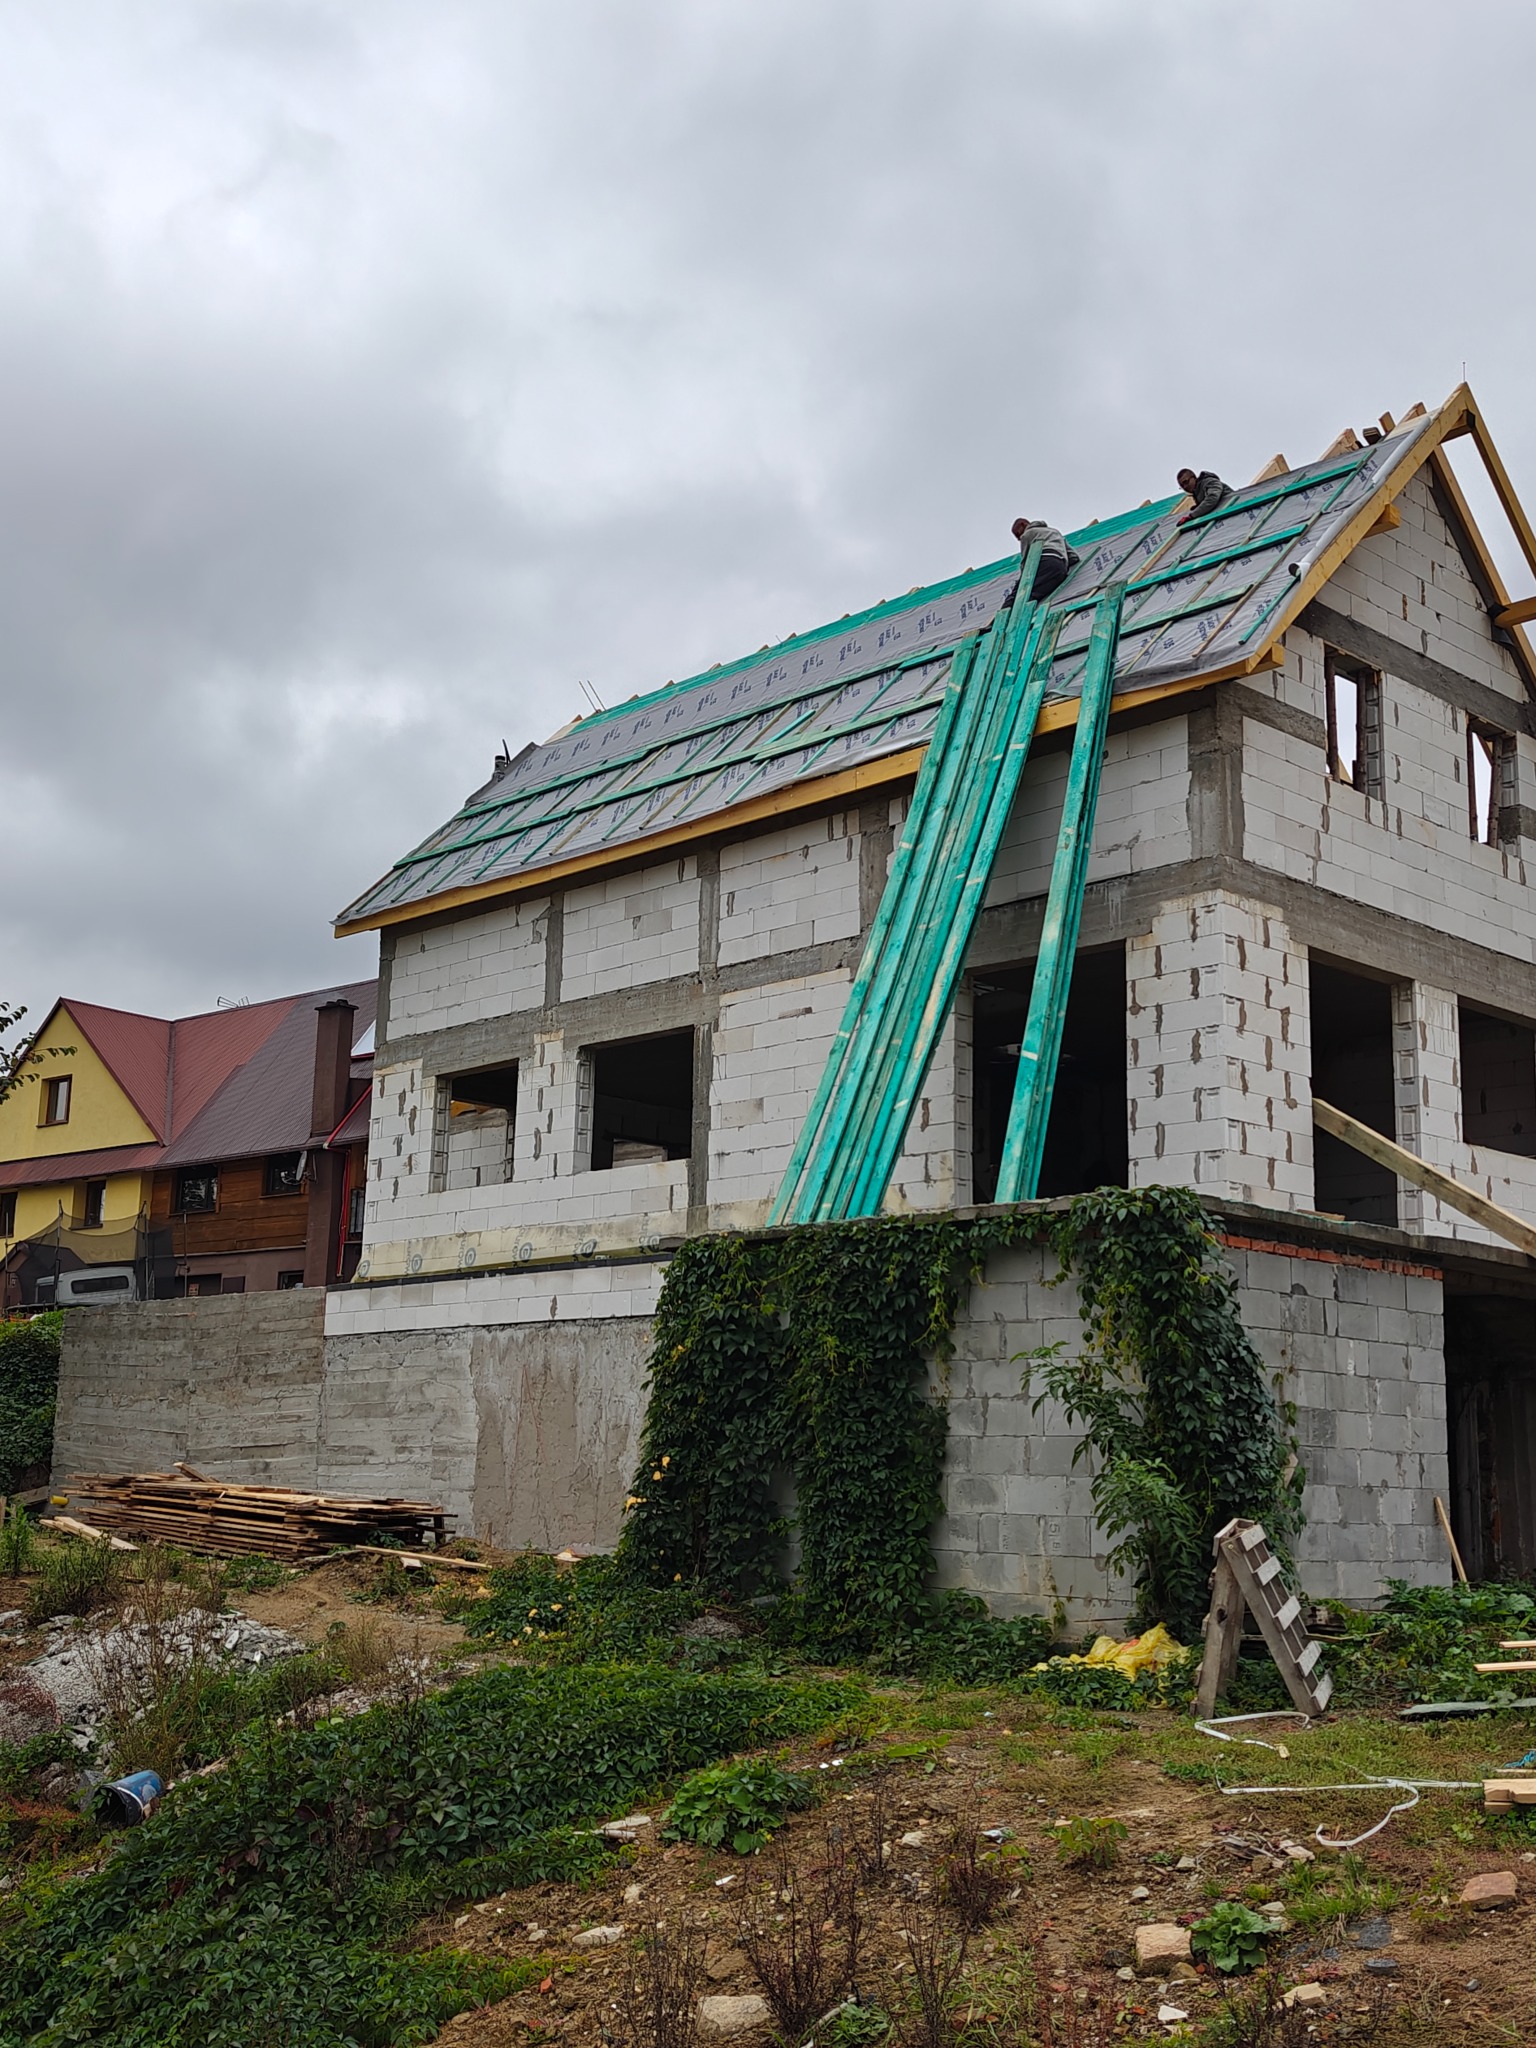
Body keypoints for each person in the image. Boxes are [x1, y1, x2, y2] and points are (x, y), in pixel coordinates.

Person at [1010, 516, 1079, 599]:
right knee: (1035, 594)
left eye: (1018, 534)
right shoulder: (1054, 531)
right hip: (1060, 569)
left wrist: (1021, 583)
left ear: (1023, 524)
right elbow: (1074, 557)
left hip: (1045, 562)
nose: (1019, 539)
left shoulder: (1027, 534)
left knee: (1021, 594)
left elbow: (1026, 563)